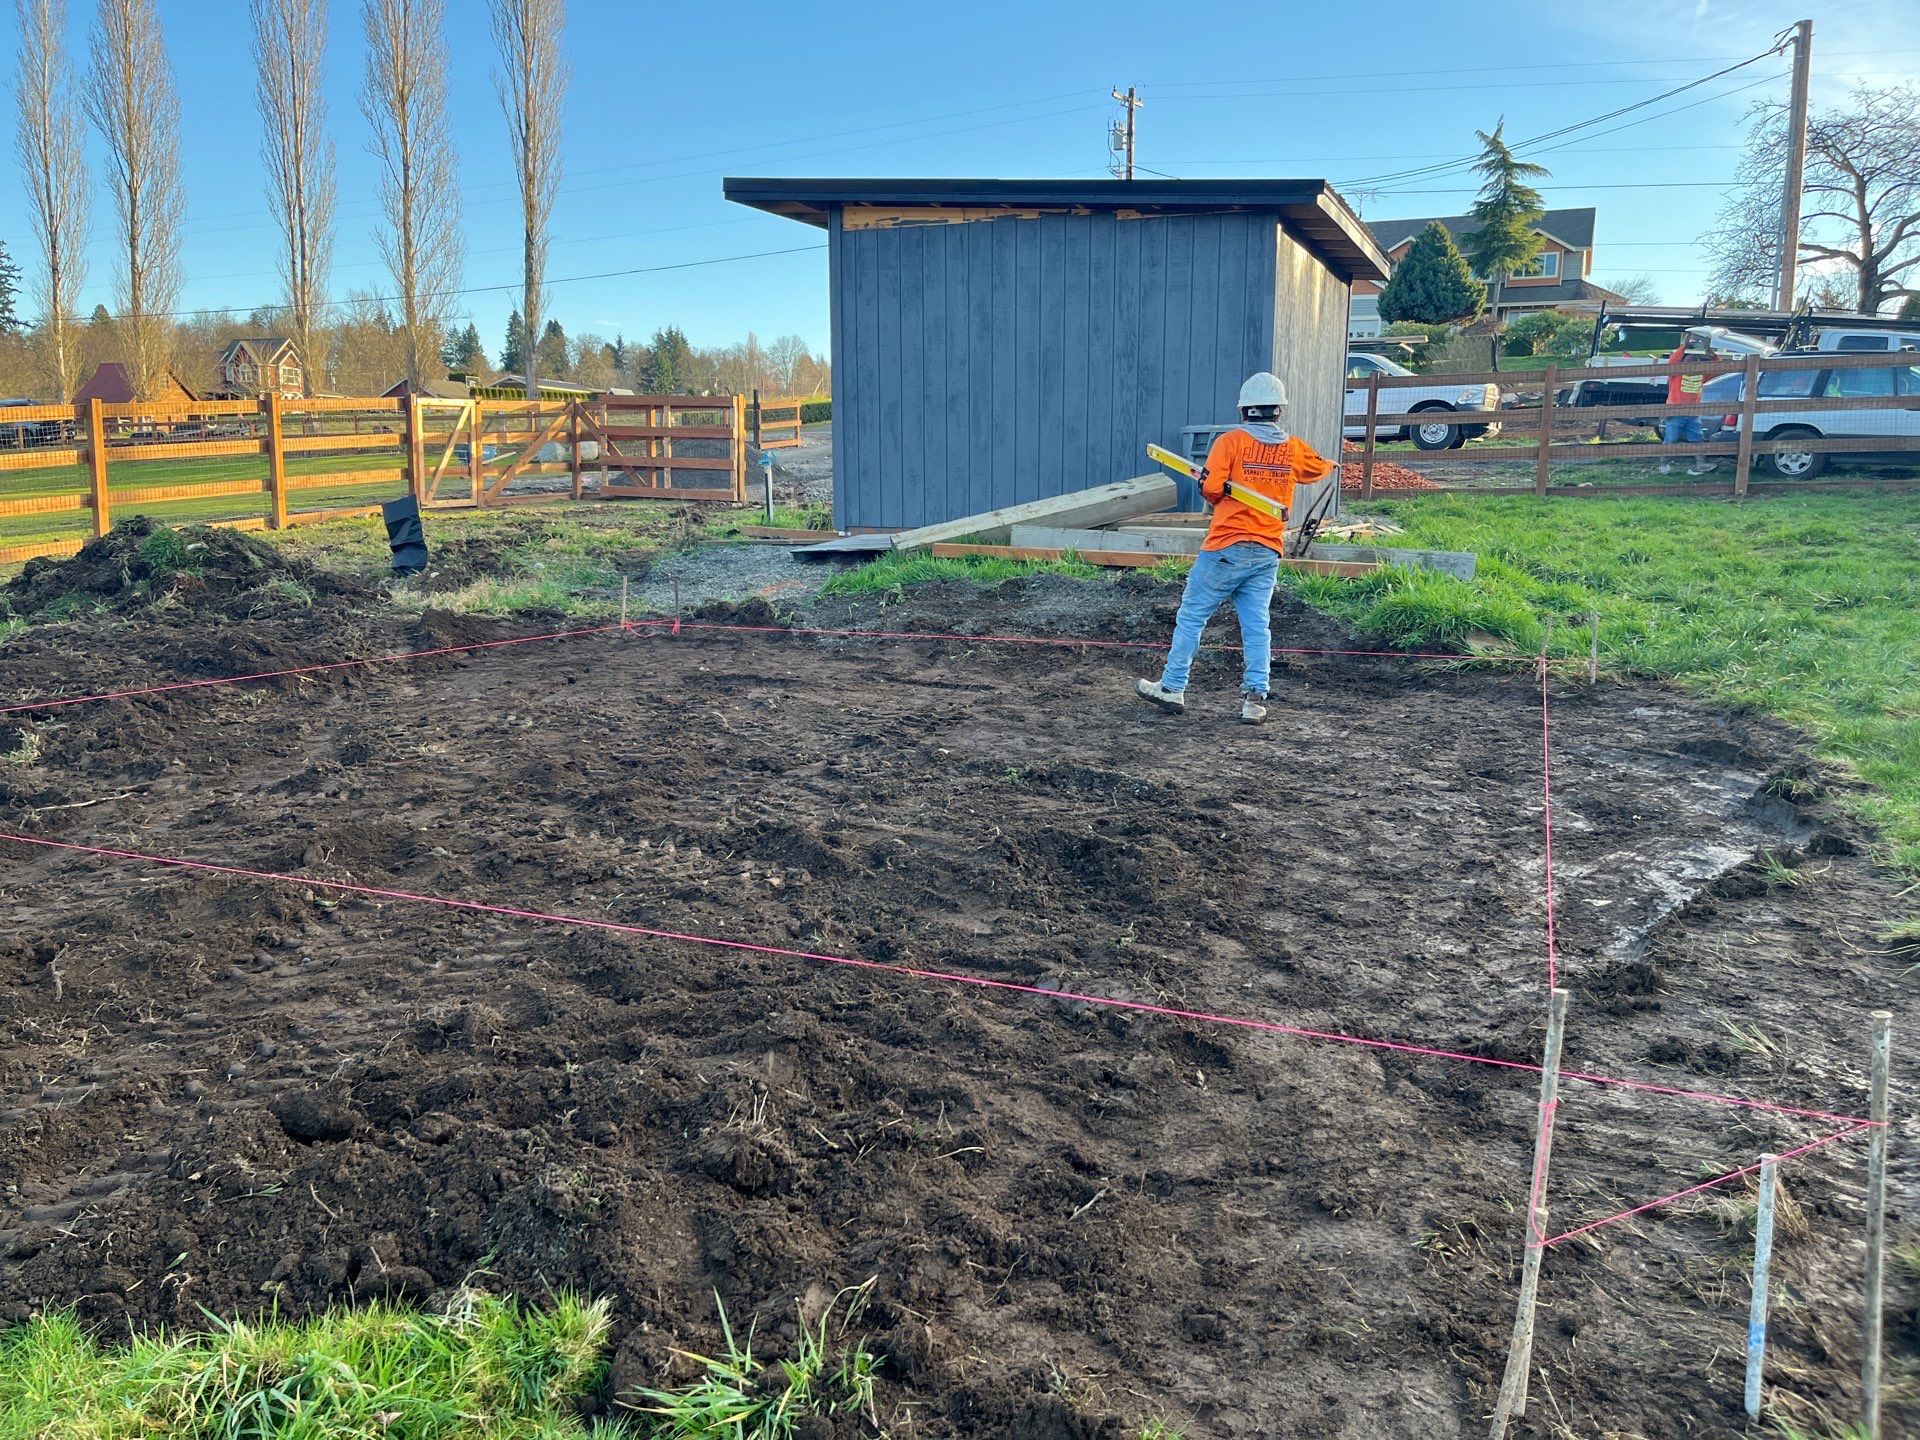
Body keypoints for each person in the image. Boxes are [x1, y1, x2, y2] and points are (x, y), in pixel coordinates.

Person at [1135, 372, 1333, 725]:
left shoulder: (1231, 442)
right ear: (1278, 412)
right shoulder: (1294, 448)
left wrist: (1212, 483)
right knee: (1257, 625)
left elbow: (1211, 489)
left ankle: (1172, 687)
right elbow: (1317, 469)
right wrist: (1328, 464)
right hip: (1268, 549)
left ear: (1244, 410)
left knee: (1192, 617)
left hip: (1227, 545)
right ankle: (1255, 700)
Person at [1659, 334, 1719, 476]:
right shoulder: (1676, 373)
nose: (1693, 364)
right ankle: (1663, 464)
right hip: (1675, 412)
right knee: (1670, 440)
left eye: (1695, 362)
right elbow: (1672, 362)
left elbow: (1717, 370)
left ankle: (1700, 465)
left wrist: (1713, 356)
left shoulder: (1702, 375)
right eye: (1689, 361)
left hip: (1692, 413)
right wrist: (1684, 346)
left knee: (1697, 439)